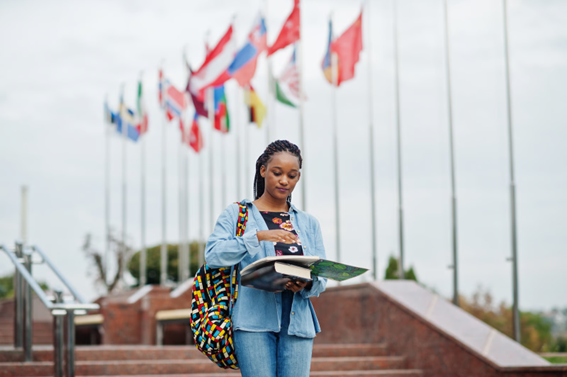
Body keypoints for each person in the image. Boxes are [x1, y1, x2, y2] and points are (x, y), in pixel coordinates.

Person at [205, 140, 327, 377]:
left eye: (292, 176)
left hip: (298, 325)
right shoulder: (237, 214)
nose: (284, 181)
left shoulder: (308, 223)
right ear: (263, 170)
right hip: (252, 323)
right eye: (277, 173)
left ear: (298, 178)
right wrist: (258, 236)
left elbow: (320, 277)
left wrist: (308, 283)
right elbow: (213, 255)